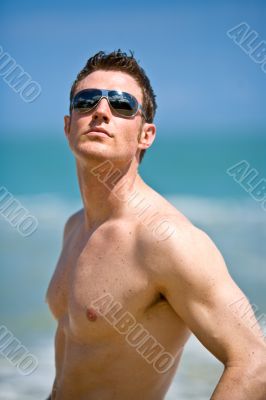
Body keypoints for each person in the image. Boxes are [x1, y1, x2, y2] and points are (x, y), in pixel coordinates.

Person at [46, 50, 266, 400]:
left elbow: (255, 364)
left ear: (146, 135)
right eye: (86, 101)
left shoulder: (166, 240)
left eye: (121, 105)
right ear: (68, 125)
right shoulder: (75, 227)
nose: (100, 112)